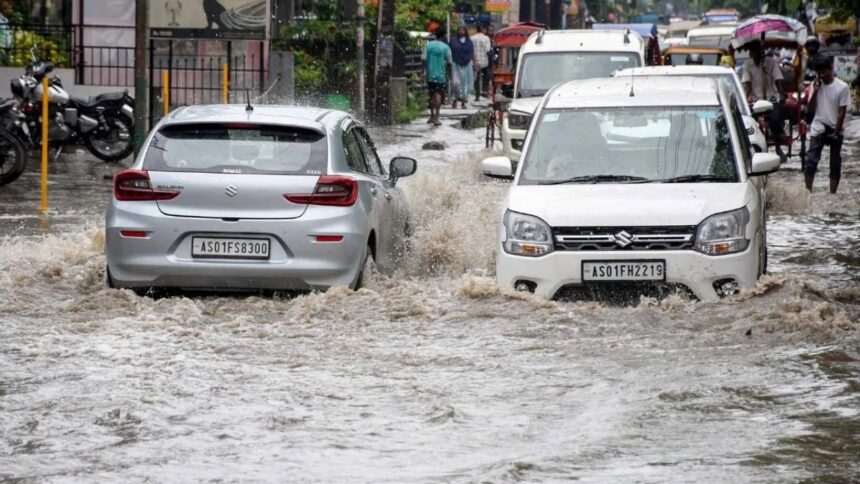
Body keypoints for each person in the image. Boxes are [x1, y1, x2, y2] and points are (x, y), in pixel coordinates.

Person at [803, 56, 849, 193]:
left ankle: (833, 193)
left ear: (831, 69)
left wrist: (835, 132)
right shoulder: (815, 85)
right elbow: (810, 109)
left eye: (825, 72)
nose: (823, 76)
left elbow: (842, 112)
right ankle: (807, 192)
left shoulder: (842, 87)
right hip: (818, 126)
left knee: (835, 163)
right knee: (811, 161)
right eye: (820, 73)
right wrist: (816, 91)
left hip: (836, 127)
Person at [742, 40, 787, 161]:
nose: (752, 54)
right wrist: (744, 100)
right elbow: (747, 83)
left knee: (776, 119)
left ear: (760, 51)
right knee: (749, 122)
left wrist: (782, 95)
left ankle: (778, 147)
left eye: (755, 51)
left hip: (770, 99)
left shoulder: (770, 63)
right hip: (756, 101)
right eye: (751, 52)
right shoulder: (748, 65)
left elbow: (778, 79)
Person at [422, 28, 452, 126]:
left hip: (430, 74)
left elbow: (423, 59)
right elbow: (449, 62)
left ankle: (431, 116)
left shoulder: (428, 45)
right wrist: (449, 74)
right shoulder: (446, 47)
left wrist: (423, 71)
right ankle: (437, 117)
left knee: (431, 94)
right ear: (443, 36)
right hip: (441, 74)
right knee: (438, 95)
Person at [449, 26, 476, 109]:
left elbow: (472, 53)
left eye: (463, 30)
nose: (461, 31)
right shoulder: (453, 41)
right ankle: (454, 100)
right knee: (455, 83)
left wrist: (475, 63)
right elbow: (449, 52)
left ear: (465, 31)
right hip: (456, 64)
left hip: (467, 65)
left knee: (465, 84)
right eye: (459, 30)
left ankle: (464, 102)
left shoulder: (469, 42)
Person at [471, 25, 492, 101]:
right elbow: (488, 49)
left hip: (474, 62)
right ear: (483, 29)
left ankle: (477, 94)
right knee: (485, 77)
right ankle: (484, 91)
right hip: (484, 62)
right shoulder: (486, 38)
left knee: (476, 78)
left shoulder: (472, 38)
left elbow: (471, 50)